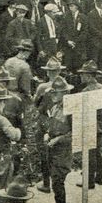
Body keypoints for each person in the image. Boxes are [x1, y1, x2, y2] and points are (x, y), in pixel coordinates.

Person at [75, 60, 102, 188]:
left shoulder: (85, 91)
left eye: (83, 74)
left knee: (89, 153)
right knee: (97, 150)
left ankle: (89, 181)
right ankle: (99, 177)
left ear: (89, 76)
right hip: (99, 123)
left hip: (89, 123)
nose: (81, 76)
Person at [42, 77, 74, 203]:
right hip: (53, 149)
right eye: (52, 92)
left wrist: (58, 139)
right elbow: (51, 124)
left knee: (57, 183)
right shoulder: (55, 107)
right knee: (56, 183)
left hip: (63, 152)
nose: (53, 95)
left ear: (66, 92)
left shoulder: (71, 111)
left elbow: (75, 134)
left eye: (57, 92)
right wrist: (48, 134)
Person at [34, 57, 65, 193]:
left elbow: (36, 103)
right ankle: (58, 181)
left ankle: (47, 183)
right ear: (59, 71)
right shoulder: (65, 85)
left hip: (45, 120)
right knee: (57, 151)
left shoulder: (42, 87)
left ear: (47, 72)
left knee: (43, 151)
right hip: (60, 121)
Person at [62, 0, 88, 73]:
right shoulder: (66, 17)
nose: (70, 8)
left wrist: (75, 42)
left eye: (72, 6)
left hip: (79, 45)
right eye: (69, 6)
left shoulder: (83, 17)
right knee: (68, 65)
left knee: (79, 65)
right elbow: (64, 30)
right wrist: (68, 40)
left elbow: (85, 32)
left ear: (77, 7)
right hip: (68, 45)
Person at [86, 0, 102, 70]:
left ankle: (101, 75)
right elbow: (91, 28)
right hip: (95, 41)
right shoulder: (91, 14)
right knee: (94, 59)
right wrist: (101, 34)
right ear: (97, 3)